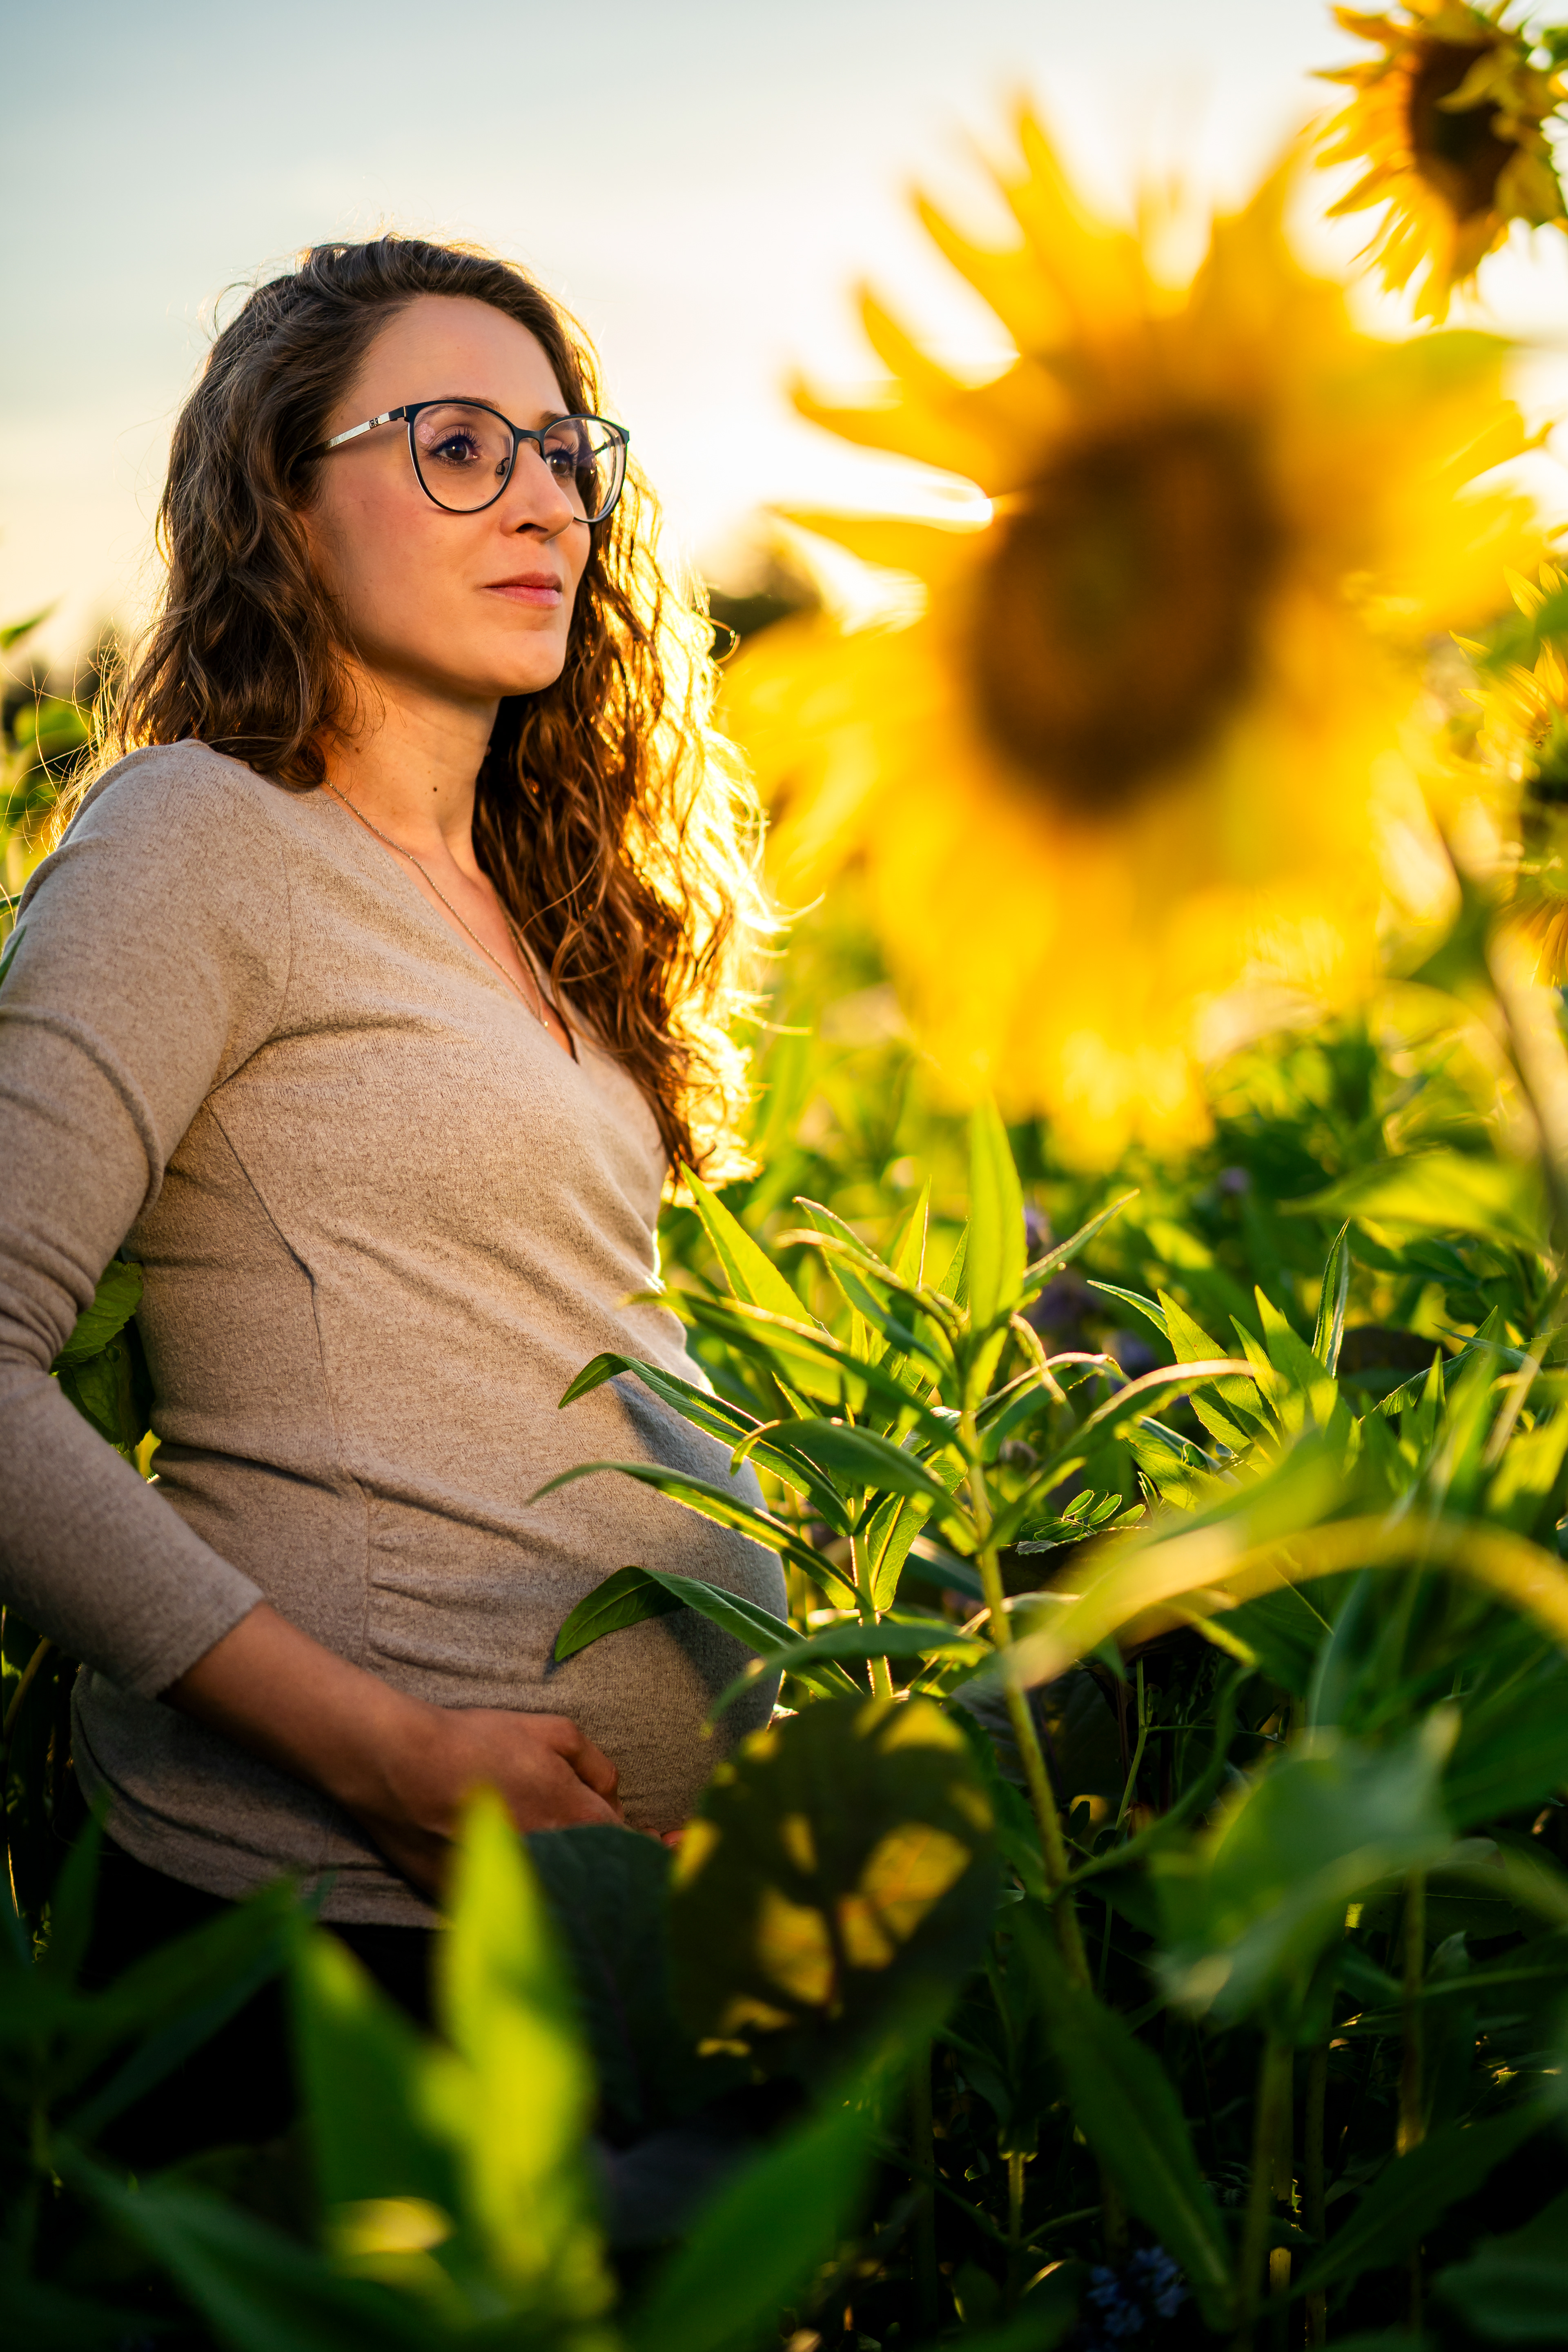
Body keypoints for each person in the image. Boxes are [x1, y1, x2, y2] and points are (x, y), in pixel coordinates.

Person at [0, 236, 783, 2149]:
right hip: (349, 1937)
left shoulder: (542, 906)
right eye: (455, 445)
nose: (541, 497)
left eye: (559, 449)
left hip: (619, 1927)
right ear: (284, 498)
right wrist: (392, 1758)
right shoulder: (203, 836)